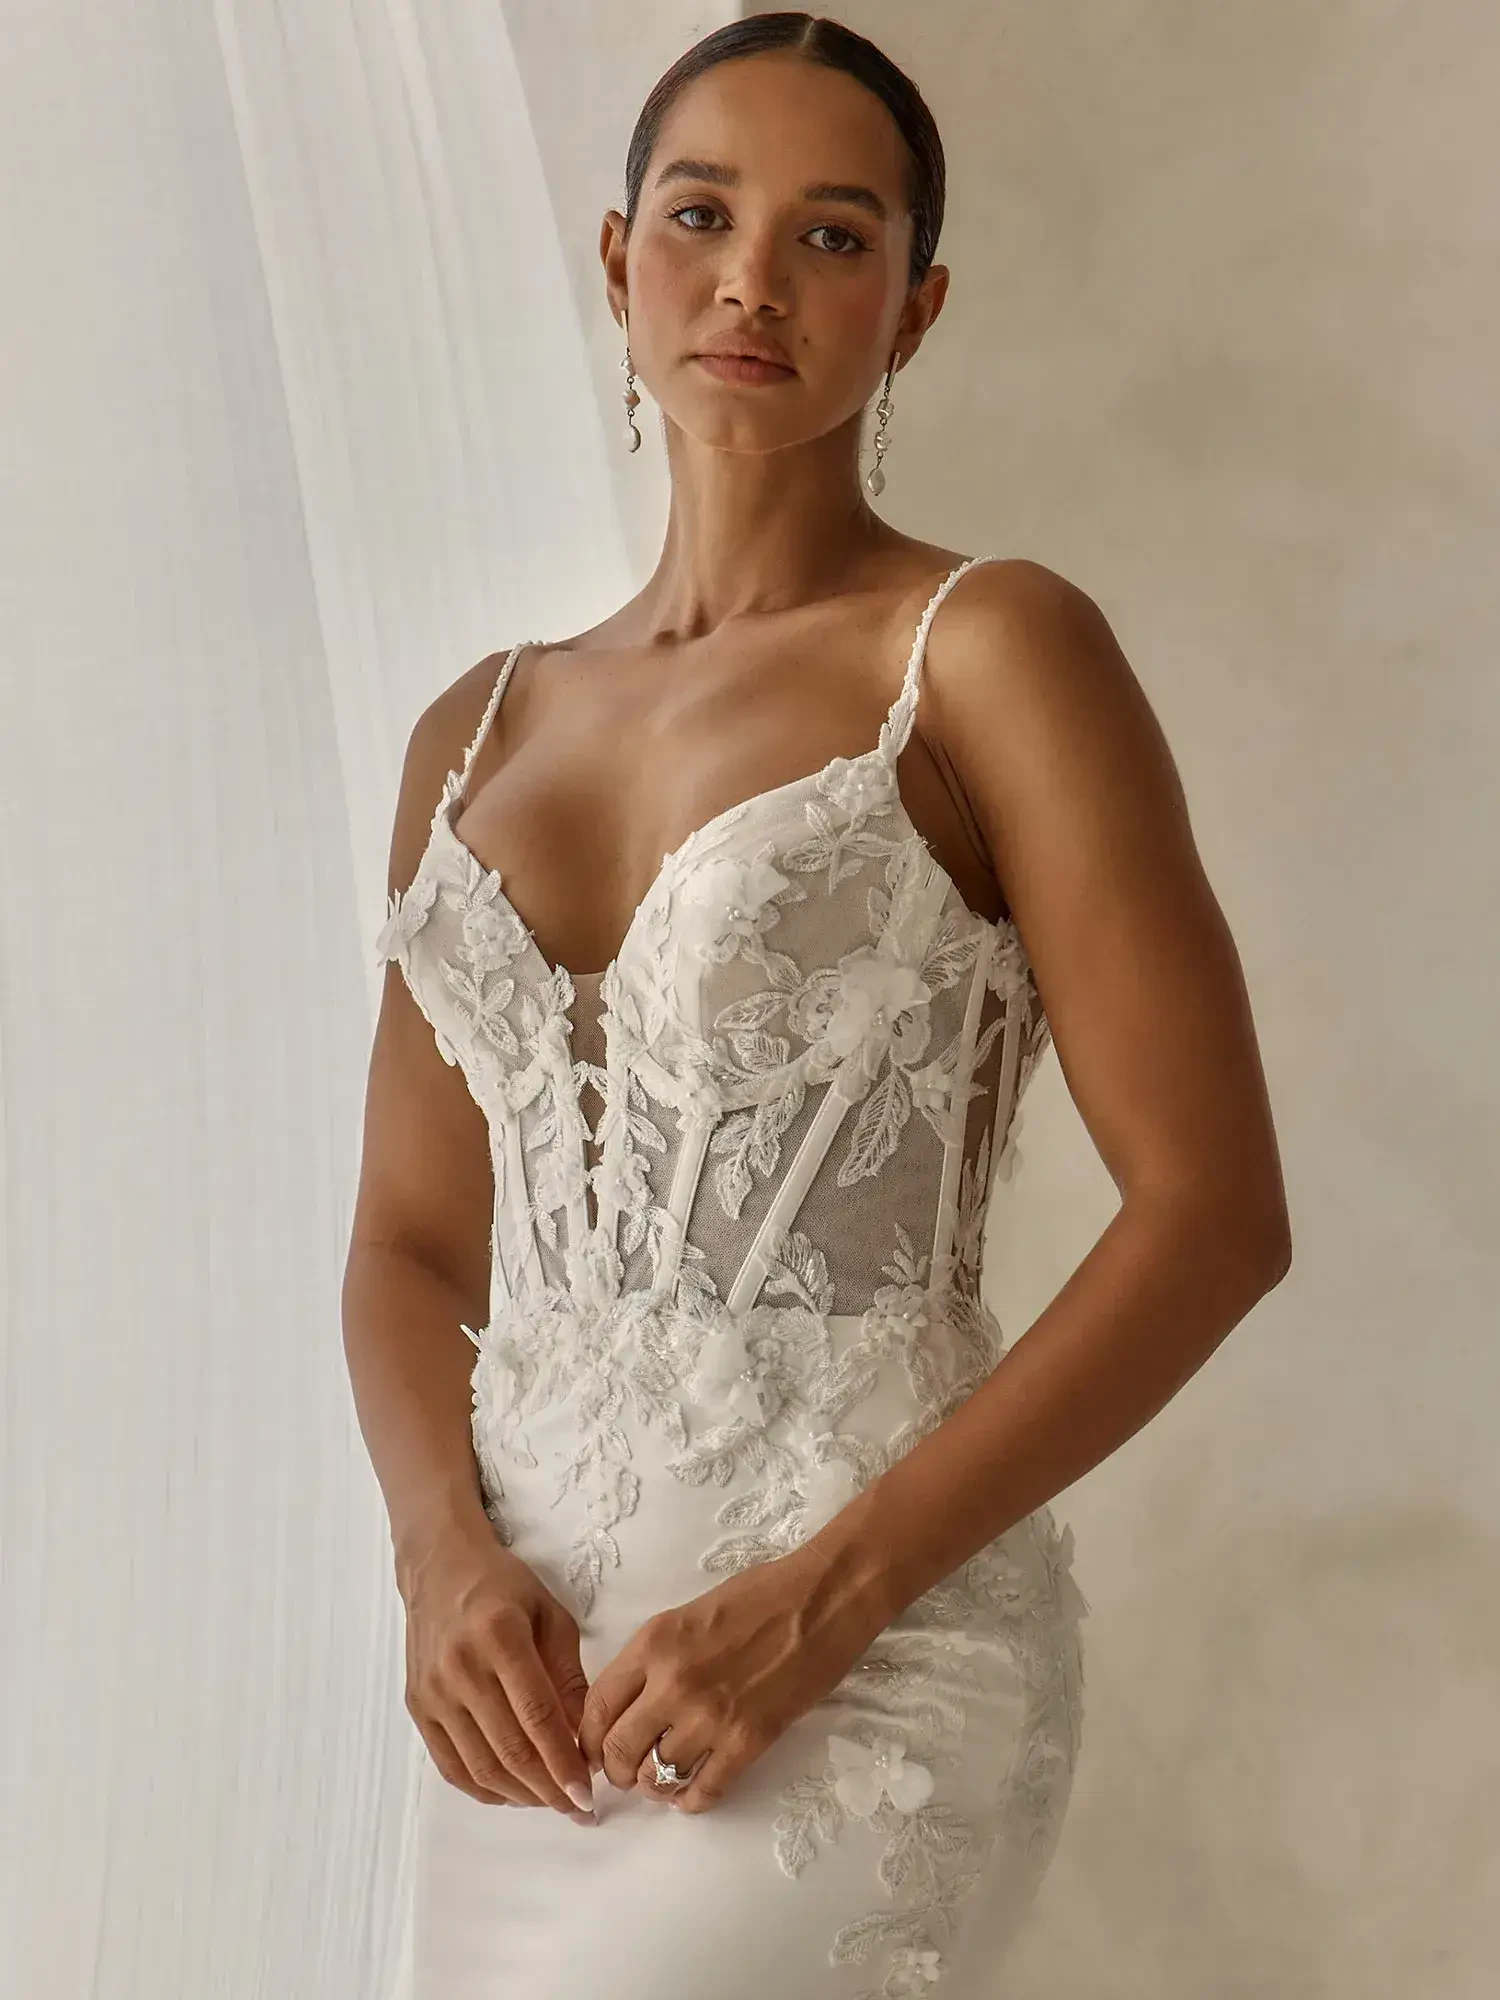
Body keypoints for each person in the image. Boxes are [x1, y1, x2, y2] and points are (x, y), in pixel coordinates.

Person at [343, 14, 1292, 1996]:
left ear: (916, 307)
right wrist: (440, 1558)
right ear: (619, 263)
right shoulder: (473, 726)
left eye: (834, 235)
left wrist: (826, 1597)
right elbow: (415, 1240)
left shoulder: (989, 651)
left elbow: (1213, 1210)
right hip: (518, 1707)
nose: (755, 279)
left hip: (861, 1669)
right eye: (702, 214)